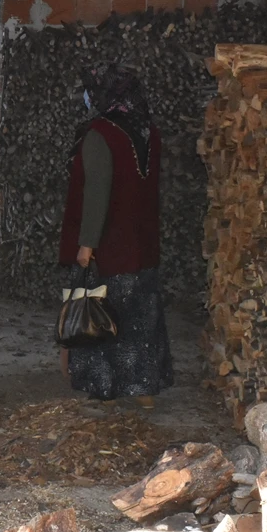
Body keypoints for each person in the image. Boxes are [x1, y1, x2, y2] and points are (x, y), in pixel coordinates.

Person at [58, 64, 173, 408]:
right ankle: (145, 393)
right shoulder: (148, 132)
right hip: (143, 243)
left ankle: (105, 387)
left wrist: (86, 244)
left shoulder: (99, 134)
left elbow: (97, 192)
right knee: (142, 320)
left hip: (109, 247)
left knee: (105, 315)